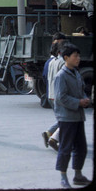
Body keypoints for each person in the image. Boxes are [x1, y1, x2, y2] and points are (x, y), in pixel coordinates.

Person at [53, 43, 91, 188]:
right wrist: (78, 102)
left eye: (79, 55)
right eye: (75, 56)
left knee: (81, 148)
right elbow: (60, 97)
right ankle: (63, 177)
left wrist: (85, 99)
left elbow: (81, 91)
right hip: (67, 117)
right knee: (65, 148)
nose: (78, 58)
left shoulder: (76, 73)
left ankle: (78, 175)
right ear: (66, 57)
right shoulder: (61, 76)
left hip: (78, 116)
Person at [41, 32, 67, 150]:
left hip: (51, 94)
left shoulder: (50, 62)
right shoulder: (62, 62)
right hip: (59, 95)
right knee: (67, 120)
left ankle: (50, 134)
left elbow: (45, 77)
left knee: (63, 120)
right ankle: (53, 138)